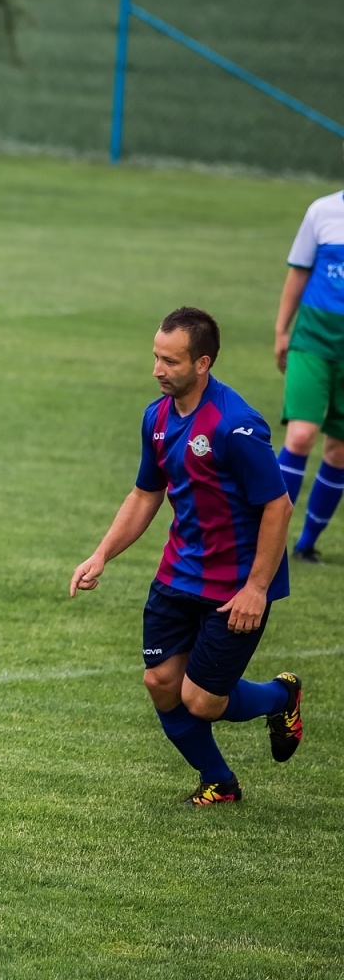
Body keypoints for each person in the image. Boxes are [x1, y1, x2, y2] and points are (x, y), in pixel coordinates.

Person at [70, 307, 303, 805]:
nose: (157, 369)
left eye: (170, 361)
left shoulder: (236, 426)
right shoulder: (155, 418)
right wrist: (101, 555)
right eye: (155, 357)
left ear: (202, 363)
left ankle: (282, 696)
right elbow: (144, 495)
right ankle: (219, 781)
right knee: (160, 682)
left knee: (201, 700)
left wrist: (257, 589)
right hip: (178, 575)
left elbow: (277, 507)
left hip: (235, 586)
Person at [273, 189, 344, 561]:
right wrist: (282, 330)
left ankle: (307, 544)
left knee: (339, 450)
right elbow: (299, 272)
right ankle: (270, 536)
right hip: (313, 341)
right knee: (300, 436)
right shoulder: (323, 211)